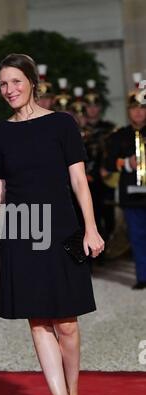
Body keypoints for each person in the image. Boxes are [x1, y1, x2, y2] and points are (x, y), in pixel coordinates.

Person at [0, 53, 104, 395]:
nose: (9, 90)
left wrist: (91, 229)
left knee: (67, 323)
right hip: (22, 234)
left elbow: (79, 182)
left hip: (62, 230)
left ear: (32, 82)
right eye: (3, 84)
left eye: (16, 81)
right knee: (38, 322)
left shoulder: (61, 125)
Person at [105, 76, 146, 289]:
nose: (138, 112)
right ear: (128, 111)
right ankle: (142, 276)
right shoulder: (120, 136)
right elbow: (110, 163)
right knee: (137, 236)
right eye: (134, 108)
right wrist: (127, 163)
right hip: (131, 194)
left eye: (142, 107)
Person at [83, 80, 117, 246]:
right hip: (86, 179)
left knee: (108, 215)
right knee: (92, 214)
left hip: (105, 177)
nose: (92, 109)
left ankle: (108, 242)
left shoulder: (110, 128)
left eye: (96, 106)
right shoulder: (77, 129)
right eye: (89, 106)